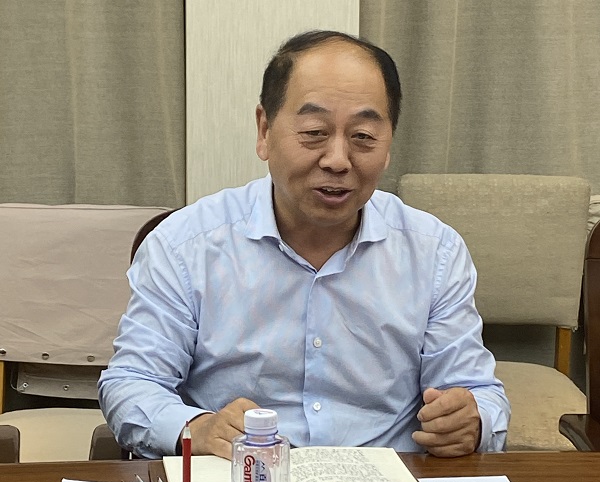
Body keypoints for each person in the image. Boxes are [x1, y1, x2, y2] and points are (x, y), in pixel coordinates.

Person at [99, 30, 509, 459]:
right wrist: (197, 429)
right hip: (241, 481)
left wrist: (472, 420)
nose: (337, 160)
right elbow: (131, 383)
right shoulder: (185, 246)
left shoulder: (434, 252)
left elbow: (480, 393)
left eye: (363, 136)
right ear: (264, 130)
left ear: (388, 144)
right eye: (314, 132)